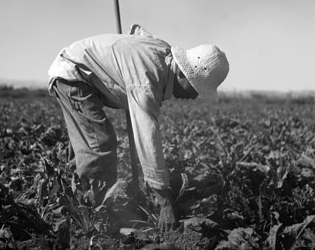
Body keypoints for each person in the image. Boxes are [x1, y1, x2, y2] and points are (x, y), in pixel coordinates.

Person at [48, 24, 229, 232]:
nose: (195, 95)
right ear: (183, 74)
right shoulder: (147, 80)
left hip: (82, 73)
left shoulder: (163, 53)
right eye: (196, 88)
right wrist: (164, 201)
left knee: (90, 141)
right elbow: (146, 137)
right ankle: (91, 218)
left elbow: (138, 33)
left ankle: (78, 200)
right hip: (74, 75)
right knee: (99, 145)